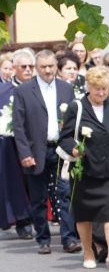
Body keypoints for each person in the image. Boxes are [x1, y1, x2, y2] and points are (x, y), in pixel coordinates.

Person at [56, 67, 109, 269]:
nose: (101, 93)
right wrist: (74, 150)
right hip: (85, 170)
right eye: (97, 89)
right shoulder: (77, 107)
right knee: (84, 214)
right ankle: (89, 253)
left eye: (105, 89)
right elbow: (64, 138)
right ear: (88, 87)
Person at [12, 49, 78, 254]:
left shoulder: (66, 89)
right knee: (39, 198)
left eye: (51, 66)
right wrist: (25, 154)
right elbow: (19, 126)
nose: (48, 70)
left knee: (65, 194)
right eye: (43, 67)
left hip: (61, 150)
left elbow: (74, 120)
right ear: (36, 68)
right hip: (36, 151)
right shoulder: (24, 91)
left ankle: (69, 239)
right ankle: (43, 239)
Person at [0, 65, 32, 236]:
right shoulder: (3, 90)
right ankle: (22, 219)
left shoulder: (38, 87)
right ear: (15, 68)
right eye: (24, 67)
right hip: (11, 143)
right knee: (16, 182)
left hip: (36, 142)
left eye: (31, 66)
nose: (28, 70)